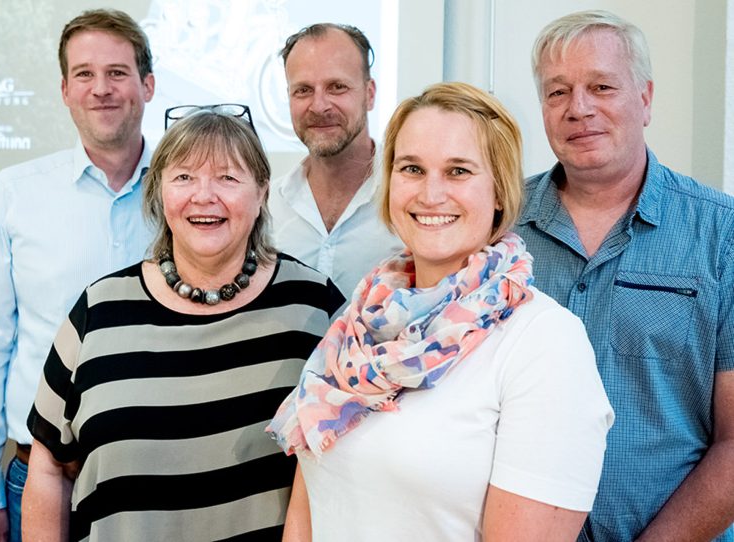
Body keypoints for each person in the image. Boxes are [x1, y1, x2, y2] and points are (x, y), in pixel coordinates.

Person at [269, 82, 614, 542]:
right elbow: (309, 503)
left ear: (498, 191)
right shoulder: (359, 320)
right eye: (412, 168)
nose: (431, 194)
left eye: (458, 171)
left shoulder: (545, 344)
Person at [22, 108, 345, 541]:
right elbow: (49, 468)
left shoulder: (316, 306)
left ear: (262, 193)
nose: (204, 195)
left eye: (228, 178)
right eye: (184, 177)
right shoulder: (98, 310)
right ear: (159, 193)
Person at [515, 10, 734, 541]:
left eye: (602, 86)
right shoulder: (497, 224)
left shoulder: (722, 235)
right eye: (557, 92)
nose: (579, 108)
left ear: (645, 99)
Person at [0, 9, 156, 542]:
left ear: (148, 85)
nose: (101, 89)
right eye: (84, 74)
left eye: (117, 72)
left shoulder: (195, 197)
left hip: (162, 480)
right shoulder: (15, 194)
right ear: (64, 90)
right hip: (41, 481)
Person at [268, 23, 403, 300]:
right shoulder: (265, 208)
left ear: (370, 94)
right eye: (303, 90)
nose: (319, 106)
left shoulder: (410, 201)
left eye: (337, 87)